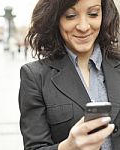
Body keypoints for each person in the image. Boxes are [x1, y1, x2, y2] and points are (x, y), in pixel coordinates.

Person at [19, 0, 120, 149]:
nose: (83, 27)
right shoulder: (34, 77)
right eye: (70, 16)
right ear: (55, 19)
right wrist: (68, 147)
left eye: (93, 14)